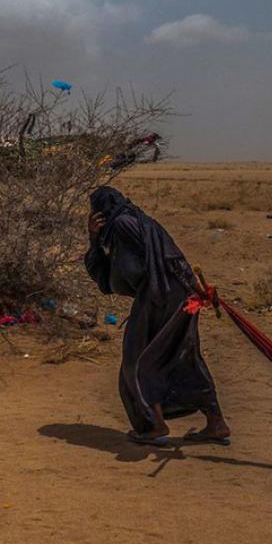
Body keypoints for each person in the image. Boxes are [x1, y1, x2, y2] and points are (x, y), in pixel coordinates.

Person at [84, 186, 231, 446]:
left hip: (158, 296)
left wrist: (94, 239)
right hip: (175, 295)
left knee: (137, 359)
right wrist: (195, 288)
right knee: (183, 356)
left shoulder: (122, 224)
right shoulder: (137, 220)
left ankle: (154, 424)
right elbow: (174, 258)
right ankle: (216, 422)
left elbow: (166, 258)